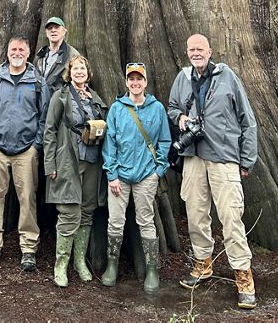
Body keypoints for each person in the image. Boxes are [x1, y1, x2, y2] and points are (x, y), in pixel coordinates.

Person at [168, 33, 258, 310]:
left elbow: (248, 120)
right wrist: (182, 118)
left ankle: (243, 276)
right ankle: (202, 263)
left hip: (224, 158)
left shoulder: (228, 77)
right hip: (194, 158)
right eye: (192, 49)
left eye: (200, 49)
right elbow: (172, 108)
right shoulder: (182, 78)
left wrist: (246, 160)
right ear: (187, 52)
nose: (196, 53)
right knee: (196, 215)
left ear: (210, 50)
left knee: (231, 217)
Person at [0, 37, 50, 271]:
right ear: (7, 53)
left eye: (21, 50)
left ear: (27, 54)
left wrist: (35, 146)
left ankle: (28, 248)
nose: (17, 53)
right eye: (13, 50)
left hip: (26, 151)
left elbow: (45, 117)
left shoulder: (37, 82)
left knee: (27, 199)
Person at [101, 62, 170, 294]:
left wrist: (158, 172)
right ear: (126, 82)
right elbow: (109, 143)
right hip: (119, 176)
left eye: (139, 79)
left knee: (146, 221)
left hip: (145, 177)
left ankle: (152, 269)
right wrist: (111, 174)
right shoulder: (117, 108)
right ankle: (112, 266)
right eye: (131, 79)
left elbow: (165, 141)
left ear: (145, 82)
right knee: (115, 221)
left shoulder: (156, 108)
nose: (135, 82)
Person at [43, 55, 107, 287]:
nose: (79, 72)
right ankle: (61, 264)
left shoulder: (96, 99)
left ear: (88, 73)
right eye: (75, 68)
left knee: (87, 211)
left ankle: (80, 260)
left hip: (92, 161)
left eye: (83, 68)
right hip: (68, 160)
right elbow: (49, 130)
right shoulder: (60, 96)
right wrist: (50, 164)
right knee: (69, 212)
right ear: (69, 73)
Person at [34, 16, 79, 90]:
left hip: (60, 98)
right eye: (50, 28)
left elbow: (79, 80)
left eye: (57, 27)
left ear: (64, 32)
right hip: (39, 97)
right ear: (46, 33)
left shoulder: (72, 54)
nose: (53, 30)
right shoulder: (41, 53)